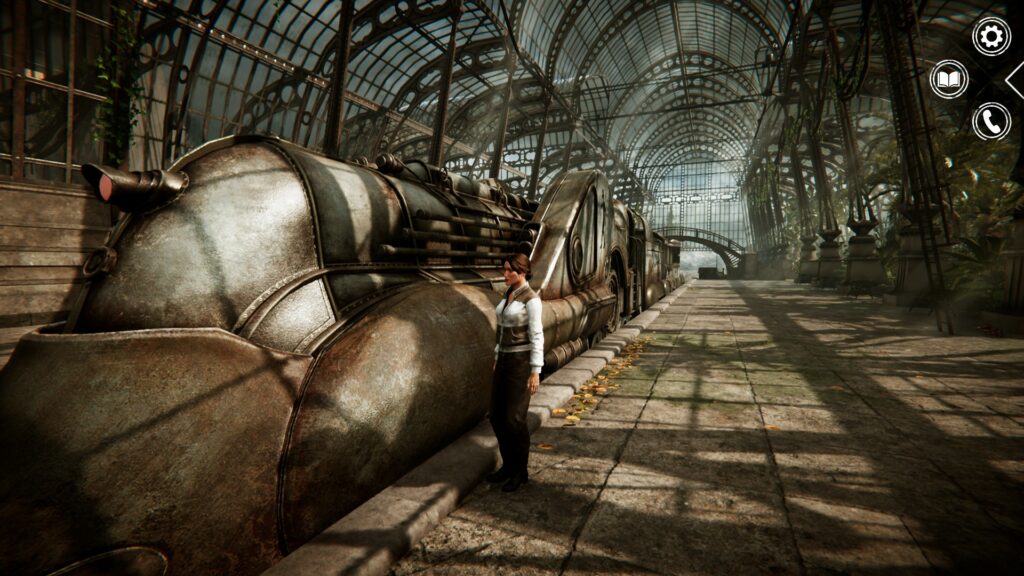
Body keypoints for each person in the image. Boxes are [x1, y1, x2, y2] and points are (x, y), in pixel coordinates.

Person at [487, 252, 544, 492]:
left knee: (515, 419)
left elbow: (537, 335)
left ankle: (520, 471)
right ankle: (508, 466)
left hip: (520, 365)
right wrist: (497, 358)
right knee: (496, 416)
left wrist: (535, 371)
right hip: (503, 362)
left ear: (522, 271)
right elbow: (500, 332)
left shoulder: (531, 300)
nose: (505, 274)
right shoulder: (508, 295)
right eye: (505, 269)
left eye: (509, 270)